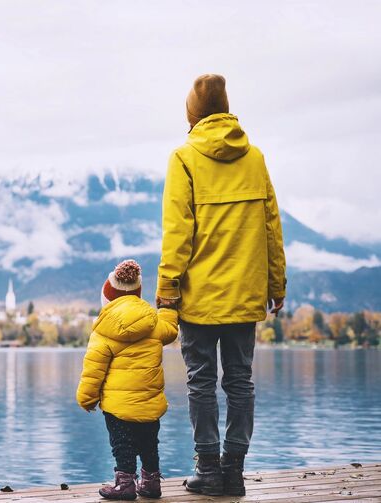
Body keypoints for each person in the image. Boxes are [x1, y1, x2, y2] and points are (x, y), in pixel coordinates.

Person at [155, 74, 286, 497]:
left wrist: (167, 287)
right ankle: (234, 471)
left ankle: (208, 470)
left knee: (200, 381)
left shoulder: (184, 158)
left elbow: (178, 231)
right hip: (245, 293)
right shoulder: (255, 158)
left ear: (192, 114)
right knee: (240, 381)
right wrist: (277, 283)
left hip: (199, 296)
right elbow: (271, 226)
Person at [77, 259, 178, 500]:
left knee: (122, 445)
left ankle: (125, 484)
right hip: (149, 404)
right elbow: (171, 329)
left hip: (118, 408)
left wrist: (87, 399)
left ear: (108, 297)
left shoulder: (103, 331)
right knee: (149, 444)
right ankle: (151, 483)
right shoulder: (153, 324)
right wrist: (167, 307)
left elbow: (93, 370)